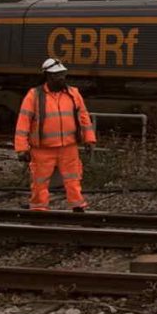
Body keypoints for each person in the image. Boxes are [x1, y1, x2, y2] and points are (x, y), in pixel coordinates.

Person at [14, 58, 96, 212]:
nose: (61, 78)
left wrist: (89, 139)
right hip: (43, 149)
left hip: (68, 147)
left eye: (62, 74)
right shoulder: (34, 96)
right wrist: (21, 148)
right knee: (40, 181)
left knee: (73, 179)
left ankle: (77, 205)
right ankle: (39, 208)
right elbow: (23, 122)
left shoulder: (73, 94)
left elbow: (84, 117)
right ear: (47, 76)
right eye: (56, 75)